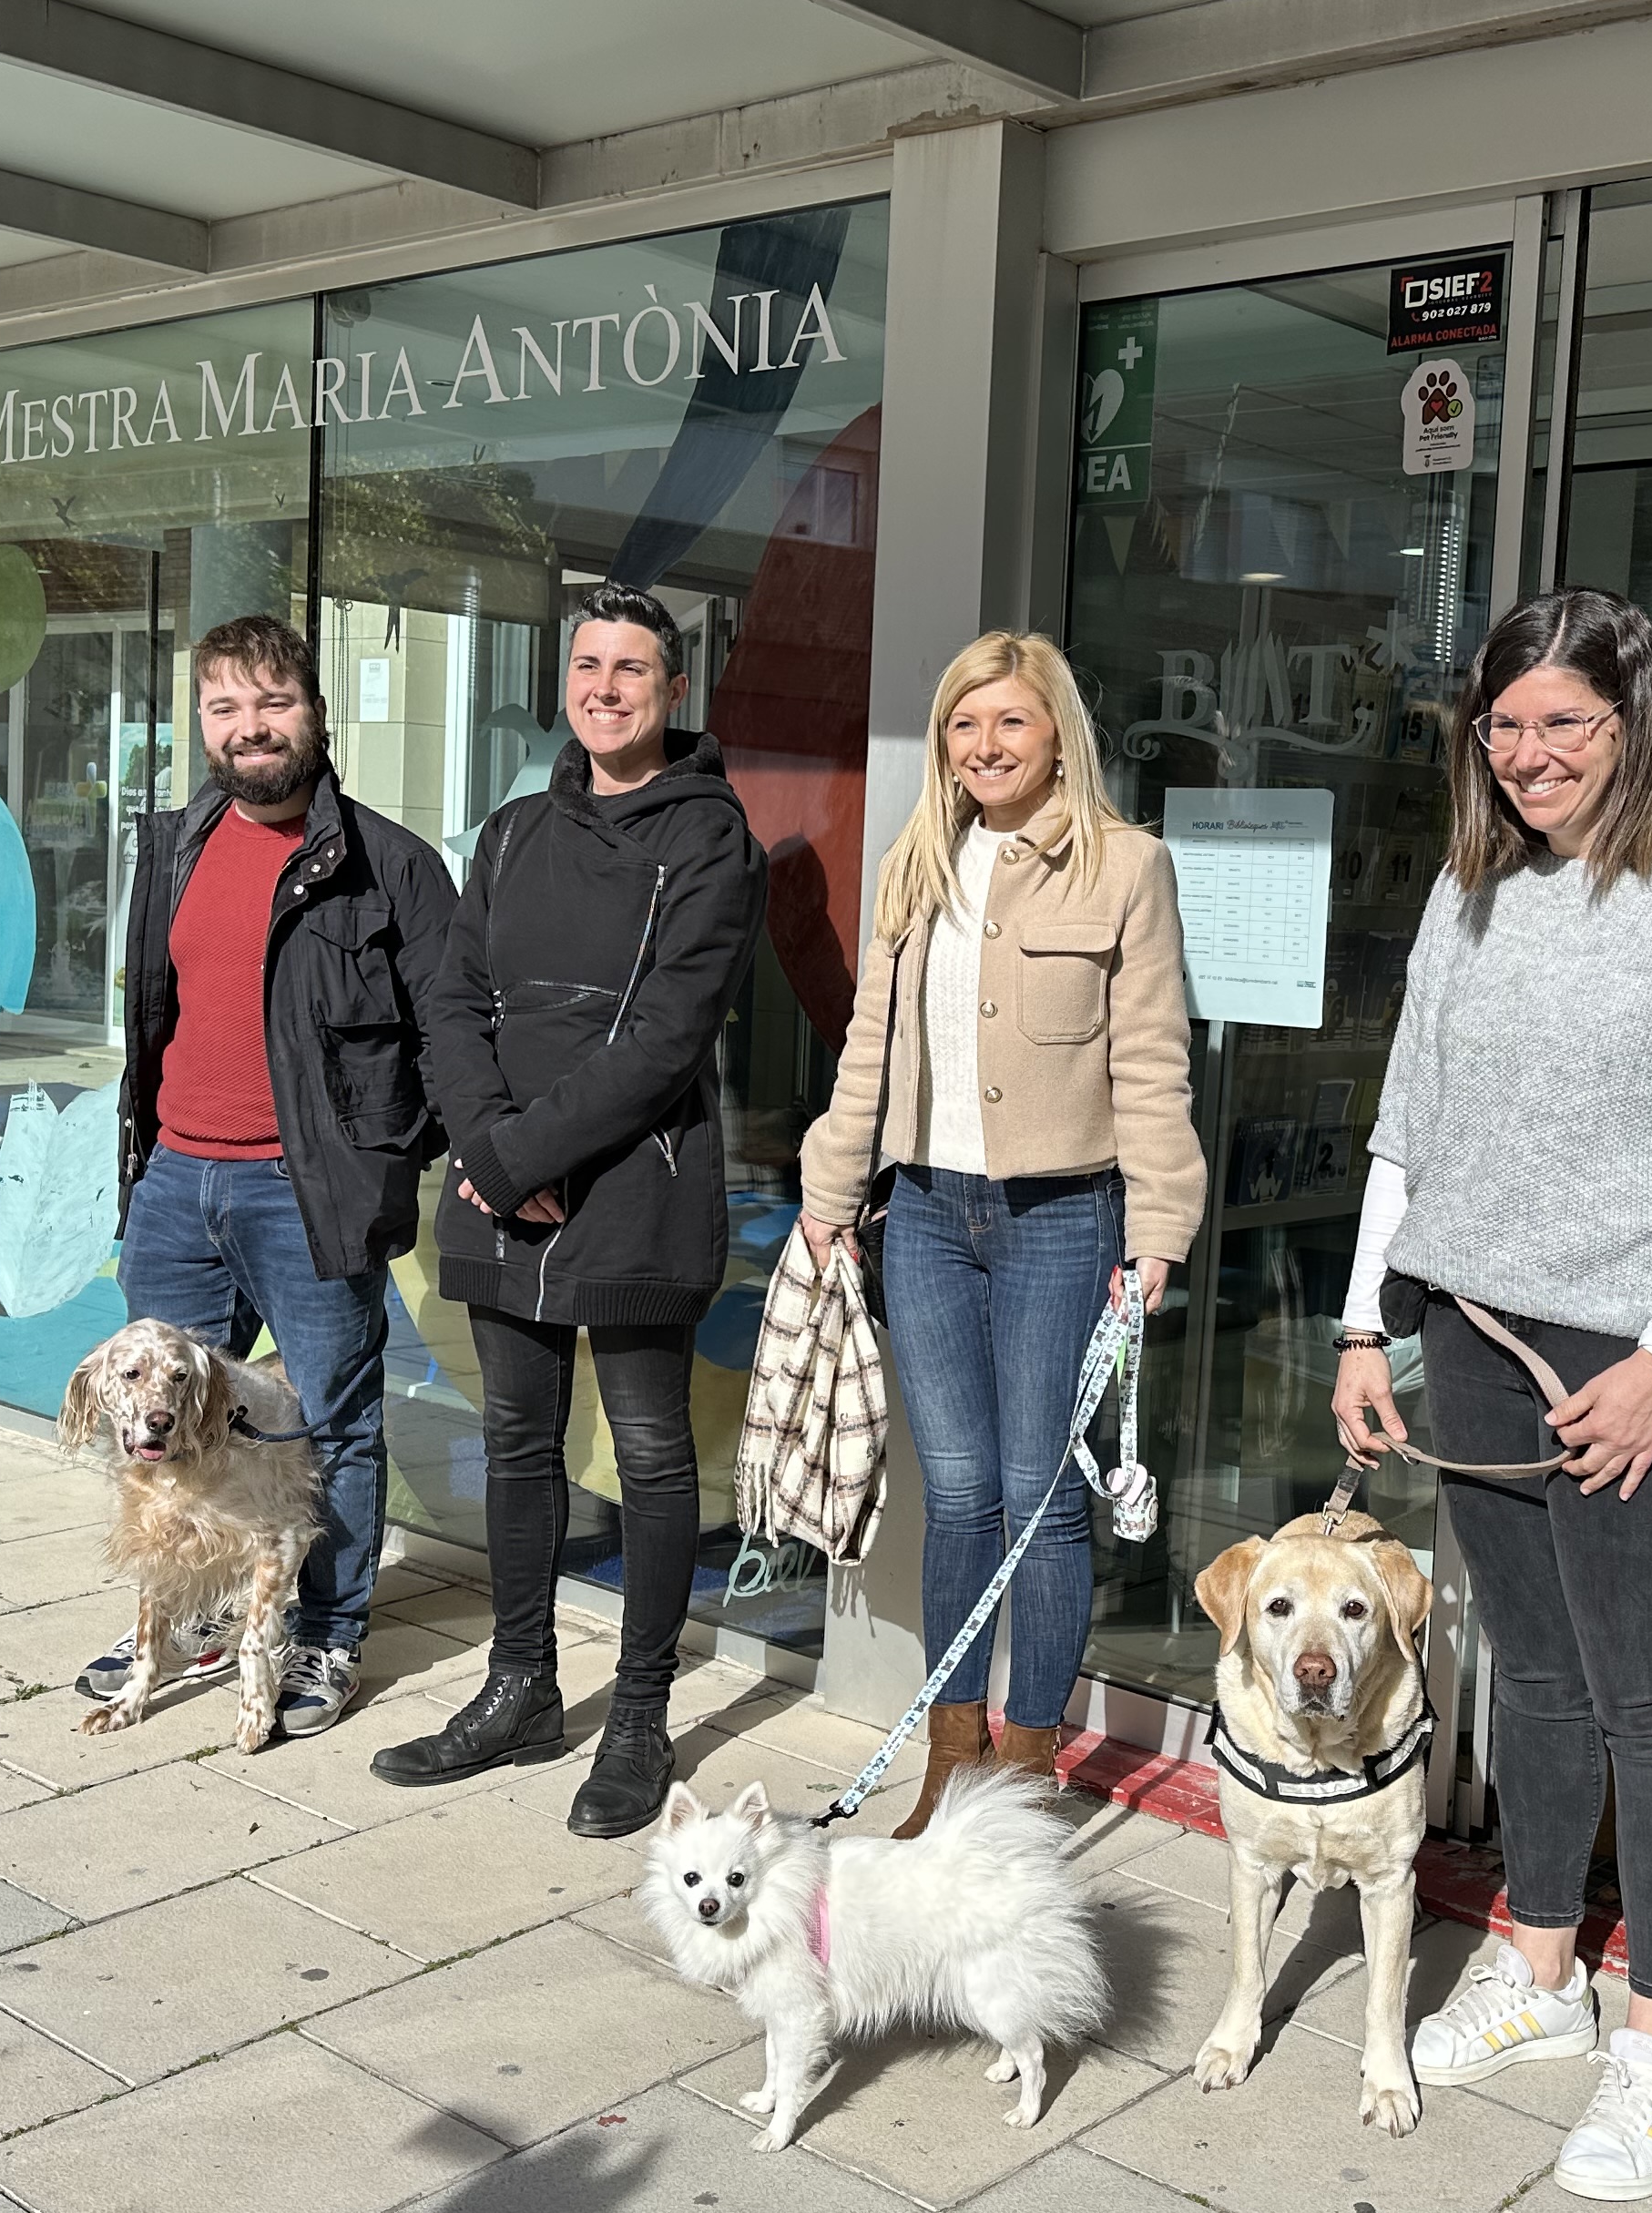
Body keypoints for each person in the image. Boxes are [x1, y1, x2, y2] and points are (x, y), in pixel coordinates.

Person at [1331, 586, 1652, 2204]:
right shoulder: (1470, 892)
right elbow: (1406, 1125)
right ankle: (1539, 1972)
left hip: (1631, 1362)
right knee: (1531, 1678)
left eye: (1565, 721)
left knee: (1647, 1696)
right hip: (1473, 1336)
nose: (1530, 753)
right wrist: (1361, 1327)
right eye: (1504, 724)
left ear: (1637, 719)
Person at [373, 583, 768, 1841]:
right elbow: (454, 1001)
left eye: (632, 669)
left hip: (634, 1184)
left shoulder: (711, 841)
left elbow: (665, 1039)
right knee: (517, 1439)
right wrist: (491, 1154)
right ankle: (522, 1686)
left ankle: (643, 1714)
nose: (605, 687)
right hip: (505, 1184)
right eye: (588, 665)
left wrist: (525, 1150)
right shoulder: (509, 832)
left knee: (651, 1454)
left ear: (674, 689)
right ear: (566, 681)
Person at [796, 632, 1202, 1834]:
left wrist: (1160, 1222)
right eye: (966, 726)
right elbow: (867, 1043)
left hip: (1064, 1216)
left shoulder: (1126, 868)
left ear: (1056, 732)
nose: (986, 747)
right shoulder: (914, 864)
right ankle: (951, 1758)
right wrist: (830, 1193)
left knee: (1040, 1497)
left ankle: (1025, 1774)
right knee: (961, 1491)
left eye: (1010, 724)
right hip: (924, 1210)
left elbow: (1153, 1060)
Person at [85, 612, 460, 1739]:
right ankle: (193, 1611)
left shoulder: (390, 865)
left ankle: (328, 1633)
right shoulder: (177, 845)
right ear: (202, 722)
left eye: (272, 703)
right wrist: (144, 1160)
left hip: (306, 1193)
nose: (250, 729)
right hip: (176, 1181)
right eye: (225, 708)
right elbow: (155, 1012)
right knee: (165, 1418)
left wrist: (383, 1163)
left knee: (333, 1425)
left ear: (316, 709)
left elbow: (450, 1036)